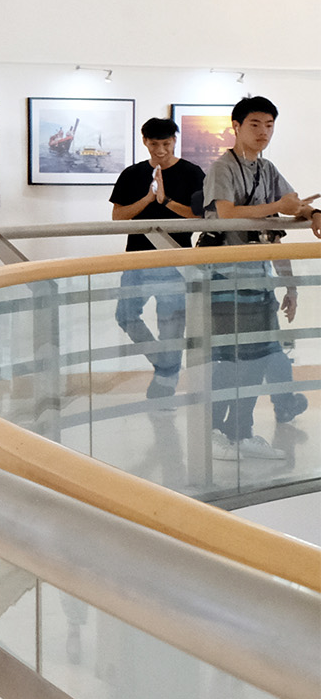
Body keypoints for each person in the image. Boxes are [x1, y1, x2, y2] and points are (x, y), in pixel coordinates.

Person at [203, 96, 311, 462]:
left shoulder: (267, 168)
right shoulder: (222, 168)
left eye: (269, 125)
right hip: (225, 279)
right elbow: (228, 214)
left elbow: (286, 212)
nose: (263, 132)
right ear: (236, 126)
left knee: (259, 359)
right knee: (232, 362)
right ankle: (218, 431)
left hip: (258, 281)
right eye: (255, 124)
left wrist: (312, 213)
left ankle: (238, 431)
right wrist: (279, 208)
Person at [110, 117, 204, 400]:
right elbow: (118, 217)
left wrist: (166, 202)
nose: (161, 150)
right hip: (137, 260)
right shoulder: (132, 174)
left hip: (175, 262)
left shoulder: (192, 173)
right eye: (154, 144)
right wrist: (149, 200)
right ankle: (166, 366)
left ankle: (165, 383)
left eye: (166, 143)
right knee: (125, 316)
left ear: (175, 141)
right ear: (145, 142)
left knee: (171, 325)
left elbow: (199, 217)